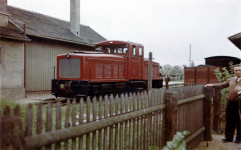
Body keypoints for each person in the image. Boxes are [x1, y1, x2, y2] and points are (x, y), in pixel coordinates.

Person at [205, 64, 241, 143]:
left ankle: (239, 138)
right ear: (234, 71)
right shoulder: (231, 79)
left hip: (240, 103)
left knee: (240, 121)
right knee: (229, 120)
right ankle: (228, 137)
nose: (238, 72)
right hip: (231, 102)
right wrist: (212, 85)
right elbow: (222, 85)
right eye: (236, 70)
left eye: (239, 70)